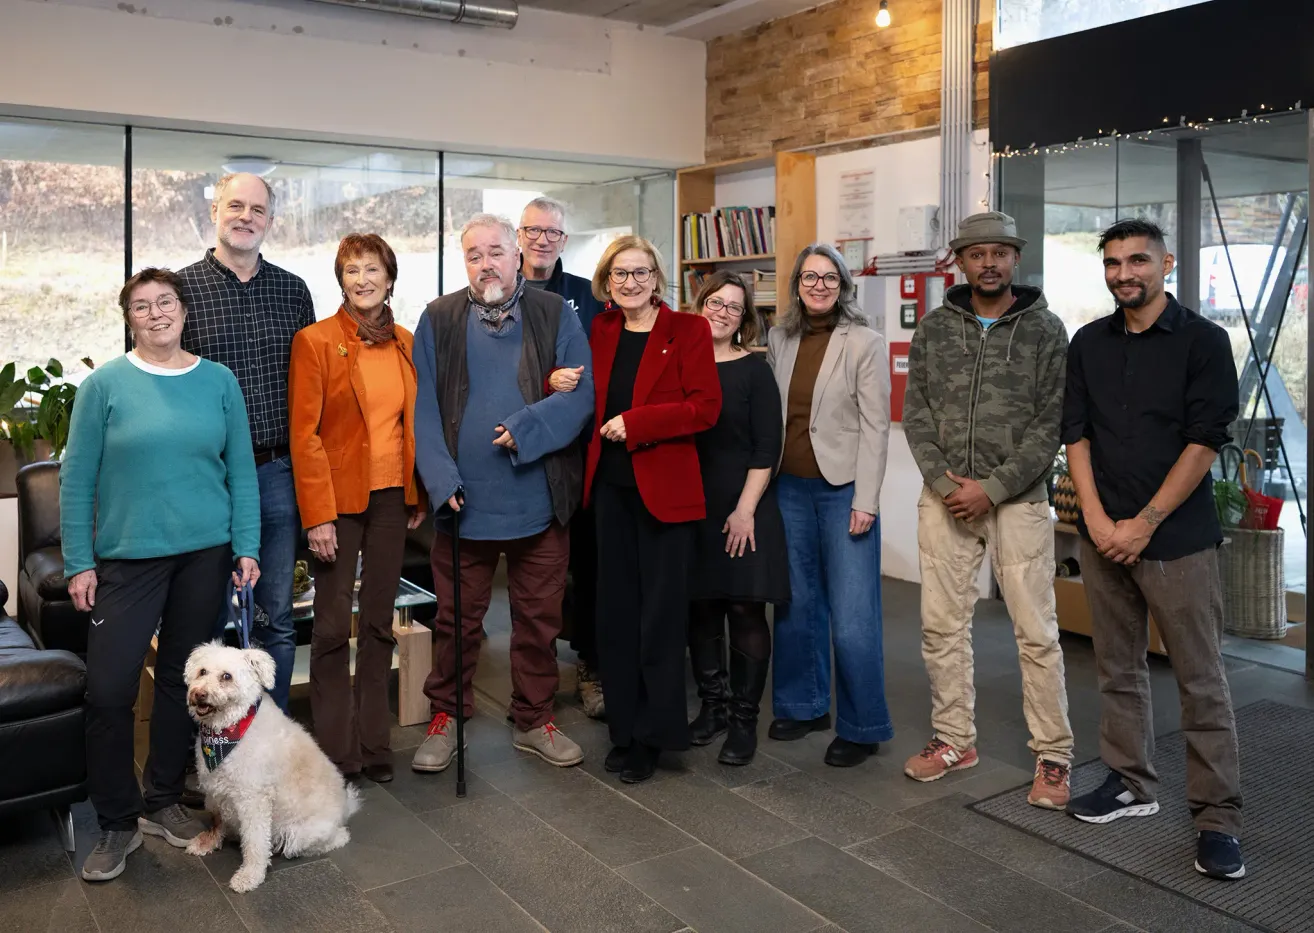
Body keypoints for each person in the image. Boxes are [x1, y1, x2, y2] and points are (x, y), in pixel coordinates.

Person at [61, 268, 260, 882]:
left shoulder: (219, 381)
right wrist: (79, 561)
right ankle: (118, 821)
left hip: (206, 553)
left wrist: (246, 546)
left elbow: (243, 473)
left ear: (182, 310)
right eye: (142, 306)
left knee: (186, 685)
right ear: (130, 318)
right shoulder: (105, 386)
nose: (155, 314)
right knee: (110, 689)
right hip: (128, 558)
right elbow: (77, 480)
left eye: (165, 303)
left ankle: (163, 799)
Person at [1062, 218, 1244, 880]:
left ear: (1165, 263)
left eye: (1137, 260)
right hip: (1103, 534)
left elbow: (1203, 441)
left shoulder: (1204, 342)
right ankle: (1129, 782)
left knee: (1201, 681)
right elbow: (1075, 435)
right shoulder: (1087, 342)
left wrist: (1143, 522)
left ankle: (1217, 818)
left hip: (1178, 540)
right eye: (1112, 263)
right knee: (1116, 667)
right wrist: (1096, 515)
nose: (1123, 274)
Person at [409, 213, 594, 773]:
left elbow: (582, 393)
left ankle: (534, 719)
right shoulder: (438, 318)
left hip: (538, 498)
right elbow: (423, 413)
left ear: (517, 254)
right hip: (464, 502)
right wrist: (442, 482)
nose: (486, 263)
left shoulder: (553, 312)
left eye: (495, 251)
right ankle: (446, 717)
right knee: (456, 622)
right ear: (463, 261)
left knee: (538, 620)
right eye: (474, 254)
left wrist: (529, 428)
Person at [901, 212, 1074, 807]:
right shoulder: (933, 329)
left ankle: (1053, 756)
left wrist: (993, 488)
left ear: (1014, 259)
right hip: (944, 496)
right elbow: (916, 409)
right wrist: (942, 482)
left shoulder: (1046, 330)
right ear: (961, 262)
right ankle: (954, 739)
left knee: (1036, 633)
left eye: (1000, 252)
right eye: (978, 254)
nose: (990, 263)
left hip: (1018, 499)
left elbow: (1050, 422)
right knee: (941, 626)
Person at [290, 234, 426, 786]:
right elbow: (305, 435)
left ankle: (375, 745)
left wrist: (415, 490)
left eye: (372, 269)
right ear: (341, 280)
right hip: (339, 505)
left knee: (378, 626)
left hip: (393, 498)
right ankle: (337, 751)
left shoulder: (408, 343)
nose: (363, 279)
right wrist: (318, 515)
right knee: (328, 630)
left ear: (390, 278)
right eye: (352, 271)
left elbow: (413, 425)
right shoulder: (317, 341)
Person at [585, 235, 721, 784]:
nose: (631, 282)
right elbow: (587, 395)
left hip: (665, 496)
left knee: (660, 621)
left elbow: (704, 408)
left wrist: (637, 423)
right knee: (615, 617)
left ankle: (656, 735)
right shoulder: (600, 330)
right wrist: (560, 382)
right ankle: (624, 729)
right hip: (609, 494)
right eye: (621, 274)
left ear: (658, 278)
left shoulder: (688, 330)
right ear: (607, 282)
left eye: (641, 272)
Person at [180, 172, 315, 714]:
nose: (245, 217)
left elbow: (311, 389)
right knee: (208, 619)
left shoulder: (293, 291)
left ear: (270, 221)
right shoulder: (181, 291)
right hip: (205, 479)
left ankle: (267, 741)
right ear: (215, 212)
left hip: (276, 473)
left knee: (275, 618)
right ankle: (209, 747)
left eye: (257, 210)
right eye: (235, 206)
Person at [766, 244, 892, 768]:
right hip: (787, 488)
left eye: (829, 278)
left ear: (843, 285)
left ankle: (862, 726)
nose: (818, 286)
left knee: (854, 615)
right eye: (809, 277)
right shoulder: (779, 337)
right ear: (796, 284)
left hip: (843, 491)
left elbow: (876, 425)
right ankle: (803, 704)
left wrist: (867, 499)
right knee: (795, 604)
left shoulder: (864, 342)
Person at [687, 271, 789, 766]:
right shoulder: (679, 365)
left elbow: (768, 446)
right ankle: (713, 709)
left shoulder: (754, 370)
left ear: (744, 318)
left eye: (734, 306)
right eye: (715, 302)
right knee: (701, 608)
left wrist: (745, 510)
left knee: (745, 610)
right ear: (699, 304)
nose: (723, 311)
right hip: (691, 507)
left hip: (746, 504)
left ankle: (743, 722)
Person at [519, 196, 608, 719]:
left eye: (552, 232)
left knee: (588, 568)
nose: (542, 240)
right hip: (523, 452)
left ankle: (591, 666)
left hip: (581, 453)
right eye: (533, 230)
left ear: (563, 241)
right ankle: (536, 680)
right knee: (538, 577)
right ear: (519, 235)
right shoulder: (500, 291)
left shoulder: (586, 296)